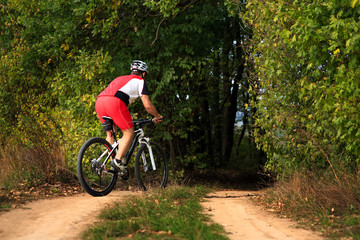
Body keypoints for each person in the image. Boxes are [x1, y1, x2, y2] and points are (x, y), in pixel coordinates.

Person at [95, 60, 162, 175]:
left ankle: (113, 165)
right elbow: (147, 105)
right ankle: (117, 161)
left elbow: (123, 103)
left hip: (99, 102)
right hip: (114, 103)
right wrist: (157, 116)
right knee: (129, 133)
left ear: (132, 71)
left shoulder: (120, 78)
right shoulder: (140, 81)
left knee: (111, 134)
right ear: (144, 73)